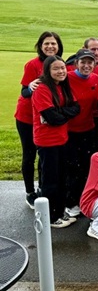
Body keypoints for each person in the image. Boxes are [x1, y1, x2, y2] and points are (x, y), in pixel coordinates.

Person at [15, 31, 63, 208]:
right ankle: (30, 192)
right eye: (46, 44)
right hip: (27, 117)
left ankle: (44, 189)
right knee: (29, 154)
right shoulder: (32, 65)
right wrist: (31, 87)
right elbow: (24, 92)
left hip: (46, 118)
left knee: (45, 156)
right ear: (40, 46)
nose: (50, 47)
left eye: (53, 44)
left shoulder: (58, 64)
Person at [32, 55, 80, 228]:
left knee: (61, 178)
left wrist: (60, 112)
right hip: (47, 141)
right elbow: (52, 118)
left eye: (62, 68)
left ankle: (58, 212)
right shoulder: (42, 89)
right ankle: (50, 217)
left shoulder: (63, 87)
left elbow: (76, 108)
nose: (61, 71)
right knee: (50, 181)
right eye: (56, 69)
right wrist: (61, 114)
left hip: (62, 139)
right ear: (48, 70)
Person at [64, 49, 98, 218]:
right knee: (72, 167)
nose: (87, 66)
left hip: (89, 129)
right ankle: (71, 202)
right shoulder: (67, 78)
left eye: (90, 62)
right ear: (76, 63)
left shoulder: (96, 79)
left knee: (87, 167)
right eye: (83, 62)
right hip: (69, 131)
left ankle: (84, 200)